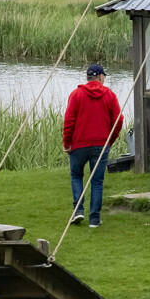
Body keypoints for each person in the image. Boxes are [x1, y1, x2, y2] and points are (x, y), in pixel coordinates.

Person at [62, 63, 122, 228]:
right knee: (97, 181)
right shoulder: (110, 95)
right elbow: (118, 120)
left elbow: (69, 121)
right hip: (101, 144)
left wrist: (67, 143)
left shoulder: (76, 94)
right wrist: (110, 139)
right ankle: (94, 220)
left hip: (79, 144)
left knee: (76, 176)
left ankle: (78, 211)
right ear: (101, 77)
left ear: (88, 77)